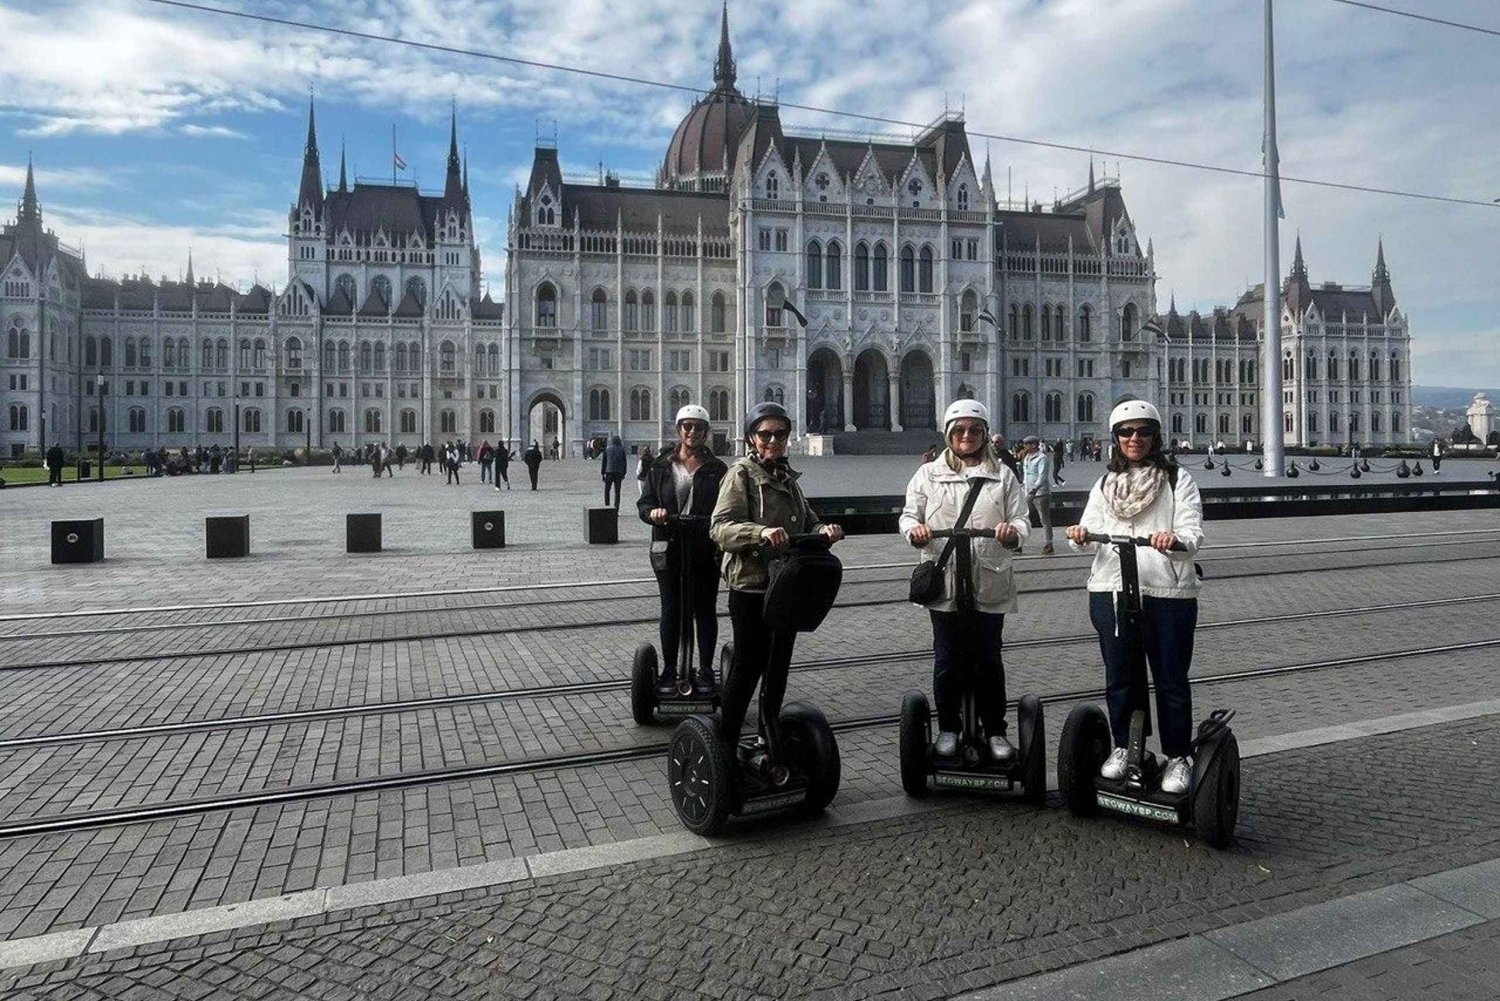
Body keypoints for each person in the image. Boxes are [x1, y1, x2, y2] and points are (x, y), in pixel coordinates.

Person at [1066, 400, 1204, 795]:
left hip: (1167, 591)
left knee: (1171, 678)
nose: (1134, 439)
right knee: (1121, 677)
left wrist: (1173, 540)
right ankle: (1128, 748)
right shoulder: (1105, 484)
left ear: (1155, 436)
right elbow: (1090, 530)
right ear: (1115, 438)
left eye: (1143, 431)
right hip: (1111, 589)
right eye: (1126, 432)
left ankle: (1178, 756)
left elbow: (1192, 533)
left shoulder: (1178, 480)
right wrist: (1079, 535)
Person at [710, 402, 844, 751]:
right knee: (747, 665)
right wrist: (760, 533)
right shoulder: (740, 474)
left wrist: (823, 529)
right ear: (753, 437)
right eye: (765, 434)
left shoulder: (788, 478)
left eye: (779, 434)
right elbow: (720, 528)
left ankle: (767, 733)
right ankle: (726, 740)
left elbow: (807, 518)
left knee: (778, 665)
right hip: (751, 586)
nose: (773, 440)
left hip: (786, 588)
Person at [900, 400, 1029, 760]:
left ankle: (995, 730)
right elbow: (909, 516)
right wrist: (916, 531)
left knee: (989, 659)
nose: (967, 436)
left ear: (986, 434)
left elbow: (1022, 520)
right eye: (959, 430)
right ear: (948, 435)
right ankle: (949, 728)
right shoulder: (928, 474)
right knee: (947, 659)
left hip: (989, 578)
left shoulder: (1003, 475)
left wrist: (1011, 532)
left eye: (974, 430)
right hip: (945, 581)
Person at [640, 405, 729, 694]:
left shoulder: (717, 469)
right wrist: (653, 513)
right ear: (678, 429)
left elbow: (727, 507)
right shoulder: (661, 466)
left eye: (698, 427)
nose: (692, 432)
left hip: (705, 546)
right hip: (669, 545)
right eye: (687, 426)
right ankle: (668, 669)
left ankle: (704, 669)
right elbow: (645, 504)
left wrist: (714, 523)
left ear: (706, 432)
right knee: (671, 608)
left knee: (705, 608)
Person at [1021, 435, 1055, 555]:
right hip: (1028, 492)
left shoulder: (1042, 458)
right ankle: (1019, 542)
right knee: (1023, 516)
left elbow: (1042, 476)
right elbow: (1026, 475)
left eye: (1027, 444)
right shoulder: (1027, 457)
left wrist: (1034, 489)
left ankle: (1048, 543)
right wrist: (1024, 487)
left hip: (1040, 493)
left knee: (1044, 519)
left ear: (1034, 445)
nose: (1025, 446)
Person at [602, 435, 628, 510]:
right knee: (617, 492)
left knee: (607, 490)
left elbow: (604, 462)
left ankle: (607, 506)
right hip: (618, 473)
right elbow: (624, 462)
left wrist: (602, 473)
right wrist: (624, 473)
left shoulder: (607, 449)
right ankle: (616, 507)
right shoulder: (621, 449)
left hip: (609, 472)